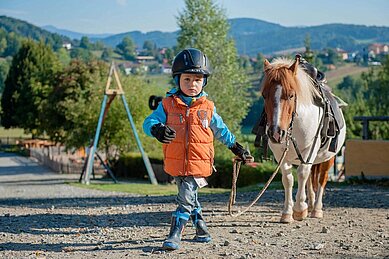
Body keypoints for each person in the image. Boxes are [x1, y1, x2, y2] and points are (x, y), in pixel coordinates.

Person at [143, 48, 252, 250]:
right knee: (189, 197)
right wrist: (157, 129)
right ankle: (201, 228)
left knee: (184, 198)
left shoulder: (208, 107)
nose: (192, 84)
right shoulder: (167, 105)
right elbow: (148, 122)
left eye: (197, 80)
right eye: (187, 80)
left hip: (199, 163)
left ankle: (175, 235)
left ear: (204, 81)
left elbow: (221, 130)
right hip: (176, 162)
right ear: (178, 80)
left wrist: (237, 148)